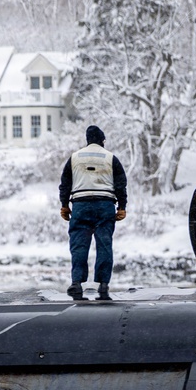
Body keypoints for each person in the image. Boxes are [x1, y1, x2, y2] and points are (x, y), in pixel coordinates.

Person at [58, 125, 128, 301]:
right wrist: (122, 207)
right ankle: (103, 286)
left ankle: (76, 283)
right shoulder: (111, 158)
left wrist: (65, 205)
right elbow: (120, 184)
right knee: (104, 244)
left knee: (79, 245)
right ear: (102, 140)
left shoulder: (74, 158)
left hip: (81, 205)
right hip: (104, 206)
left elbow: (65, 184)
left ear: (87, 140)